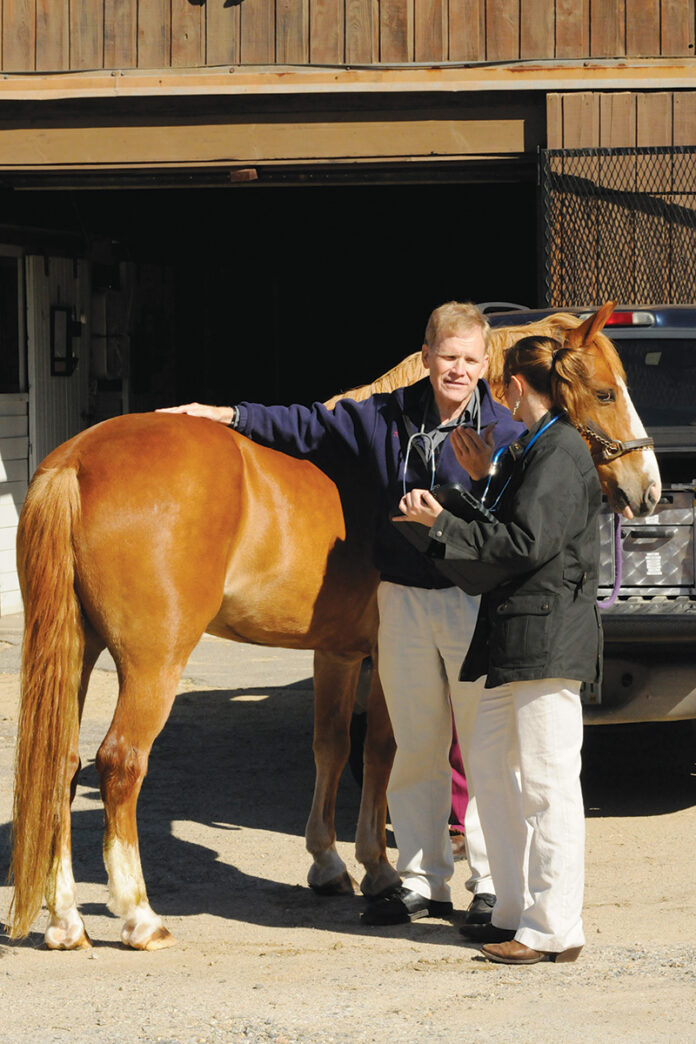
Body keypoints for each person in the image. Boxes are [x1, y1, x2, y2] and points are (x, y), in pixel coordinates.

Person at [159, 301, 524, 926]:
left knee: (481, 746)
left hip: (470, 600)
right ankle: (421, 878)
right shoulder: (388, 415)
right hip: (400, 597)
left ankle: (490, 882)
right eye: (447, 357)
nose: (457, 370)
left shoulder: (506, 433)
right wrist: (227, 414)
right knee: (413, 744)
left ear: (485, 363)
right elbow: (307, 425)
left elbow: (520, 521)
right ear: (427, 355)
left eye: (469, 359)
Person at [396, 333, 602, 964]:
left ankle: (554, 928)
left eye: (498, 383)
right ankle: (514, 911)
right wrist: (474, 485)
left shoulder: (561, 451)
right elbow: (507, 526)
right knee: (496, 774)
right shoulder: (530, 449)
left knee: (546, 785)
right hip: (515, 636)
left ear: (514, 387)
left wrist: (442, 525)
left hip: (546, 638)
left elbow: (524, 543)